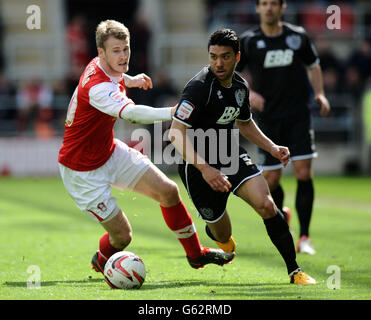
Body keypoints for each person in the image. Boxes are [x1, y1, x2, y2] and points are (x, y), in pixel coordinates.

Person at [58, 20, 235, 281]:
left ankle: (195, 255)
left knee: (168, 191)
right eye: (116, 51)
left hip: (108, 152)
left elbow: (114, 78)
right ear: (101, 52)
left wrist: (130, 79)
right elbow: (131, 113)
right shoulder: (97, 87)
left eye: (126, 49)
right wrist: (172, 112)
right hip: (81, 171)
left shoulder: (102, 67)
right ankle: (103, 259)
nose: (123, 56)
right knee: (123, 237)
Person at [169, 28, 316, 284]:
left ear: (237, 57)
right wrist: (205, 169)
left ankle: (295, 271)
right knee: (224, 234)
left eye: (225, 56)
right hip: (196, 167)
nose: (218, 62)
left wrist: (272, 147)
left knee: (267, 205)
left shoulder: (240, 87)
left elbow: (245, 123)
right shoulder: (198, 88)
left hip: (229, 155)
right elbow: (175, 133)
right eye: (213, 56)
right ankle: (218, 234)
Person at [236, 0, 331, 255]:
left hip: (298, 115)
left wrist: (320, 94)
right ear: (257, 9)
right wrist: (250, 94)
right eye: (263, 4)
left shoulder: (297, 36)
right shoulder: (247, 41)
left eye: (273, 4)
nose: (268, 8)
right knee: (272, 177)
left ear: (282, 7)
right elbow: (234, 74)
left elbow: (314, 65)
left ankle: (305, 237)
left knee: (303, 171)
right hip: (266, 119)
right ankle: (283, 218)